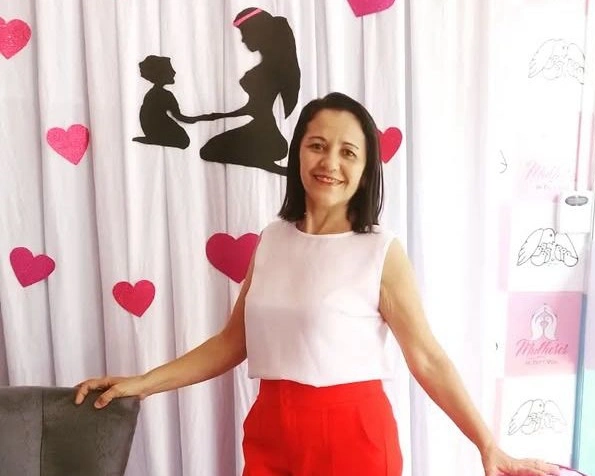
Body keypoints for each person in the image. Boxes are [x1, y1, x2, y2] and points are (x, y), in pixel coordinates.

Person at [75, 92, 560, 476]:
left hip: (352, 438)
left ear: (366, 170)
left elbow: (428, 358)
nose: (330, 162)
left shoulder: (380, 251)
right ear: (298, 154)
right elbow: (232, 342)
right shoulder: (271, 239)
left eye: (348, 152)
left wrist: (487, 445)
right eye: (317, 145)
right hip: (269, 430)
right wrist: (142, 384)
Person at [196, 8, 301, 175]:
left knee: (208, 151)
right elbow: (253, 108)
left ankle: (270, 166)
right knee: (209, 150)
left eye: (244, 32)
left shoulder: (269, 70)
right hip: (269, 136)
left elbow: (256, 109)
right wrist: (215, 116)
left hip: (267, 138)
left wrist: (216, 116)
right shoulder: (273, 68)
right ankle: (271, 165)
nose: (243, 39)